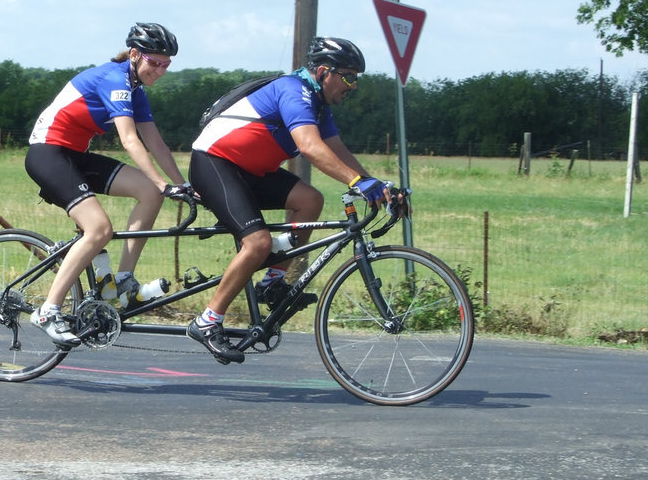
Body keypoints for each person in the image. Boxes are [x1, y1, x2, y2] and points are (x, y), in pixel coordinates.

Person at [185, 36, 390, 364]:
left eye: (357, 79)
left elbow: (336, 149)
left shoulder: (319, 104)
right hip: (215, 164)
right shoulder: (294, 91)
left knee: (310, 200)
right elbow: (310, 147)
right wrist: (356, 182)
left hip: (251, 171)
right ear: (325, 72)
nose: (353, 85)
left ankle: (273, 283)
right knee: (257, 244)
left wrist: (373, 183)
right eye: (349, 77)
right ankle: (207, 321)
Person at [25, 22, 193, 346]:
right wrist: (162, 183)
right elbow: (130, 141)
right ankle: (48, 310)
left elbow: (156, 144)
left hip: (75, 156)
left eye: (166, 65)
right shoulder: (114, 79)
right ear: (134, 54)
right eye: (154, 62)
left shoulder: (136, 89)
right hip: (48, 154)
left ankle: (122, 281)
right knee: (99, 229)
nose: (159, 70)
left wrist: (181, 185)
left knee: (148, 193)